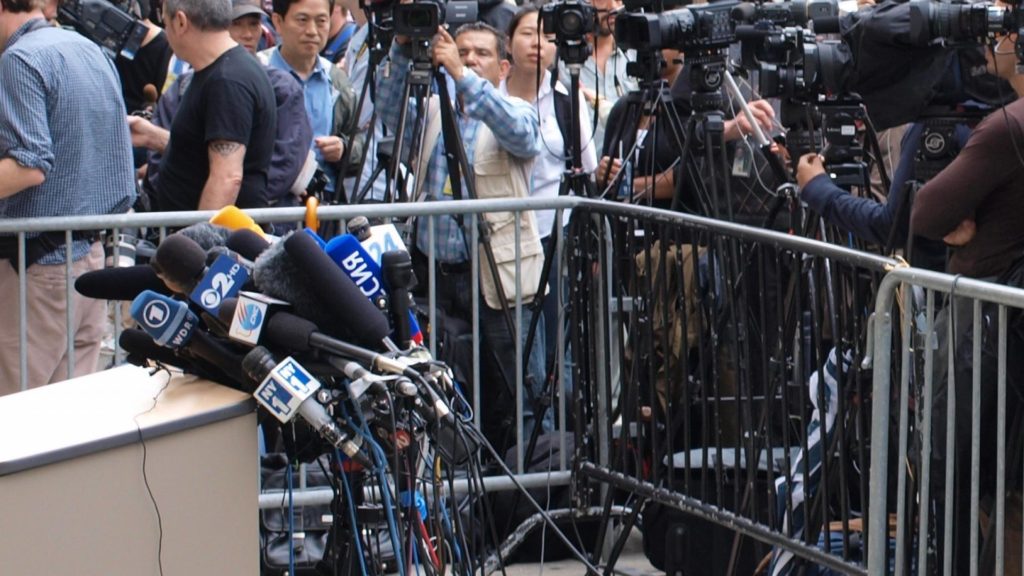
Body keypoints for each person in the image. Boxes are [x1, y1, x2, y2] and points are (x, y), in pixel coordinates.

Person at [375, 21, 549, 443]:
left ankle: (524, 487)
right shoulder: (437, 111)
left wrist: (460, 74)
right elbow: (388, 107)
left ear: (504, 67)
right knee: (441, 393)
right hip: (435, 276)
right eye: (462, 51)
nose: (469, 59)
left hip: (496, 278)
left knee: (518, 391)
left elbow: (523, 138)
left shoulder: (518, 110)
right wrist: (402, 45)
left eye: (481, 55)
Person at [0, 0, 135, 395]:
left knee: (14, 416)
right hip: (88, 260)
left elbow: (29, 164)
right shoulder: (87, 47)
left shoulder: (20, 59)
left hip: (39, 271)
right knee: (68, 421)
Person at [143, 0, 314, 212]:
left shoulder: (228, 79)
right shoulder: (217, 72)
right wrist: (152, 136)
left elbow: (227, 178)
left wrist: (199, 239)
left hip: (218, 239)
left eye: (165, 23)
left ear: (180, 21)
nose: (165, 32)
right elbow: (201, 151)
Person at [259, 0, 363, 203]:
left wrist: (343, 149)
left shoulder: (336, 79)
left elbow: (359, 139)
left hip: (324, 205)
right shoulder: (258, 72)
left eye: (321, 21)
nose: (312, 31)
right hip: (269, 204)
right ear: (278, 22)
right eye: (302, 20)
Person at [558, 0, 637, 156]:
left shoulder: (634, 53)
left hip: (630, 167)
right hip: (581, 169)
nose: (613, 7)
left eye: (618, 0)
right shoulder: (562, 59)